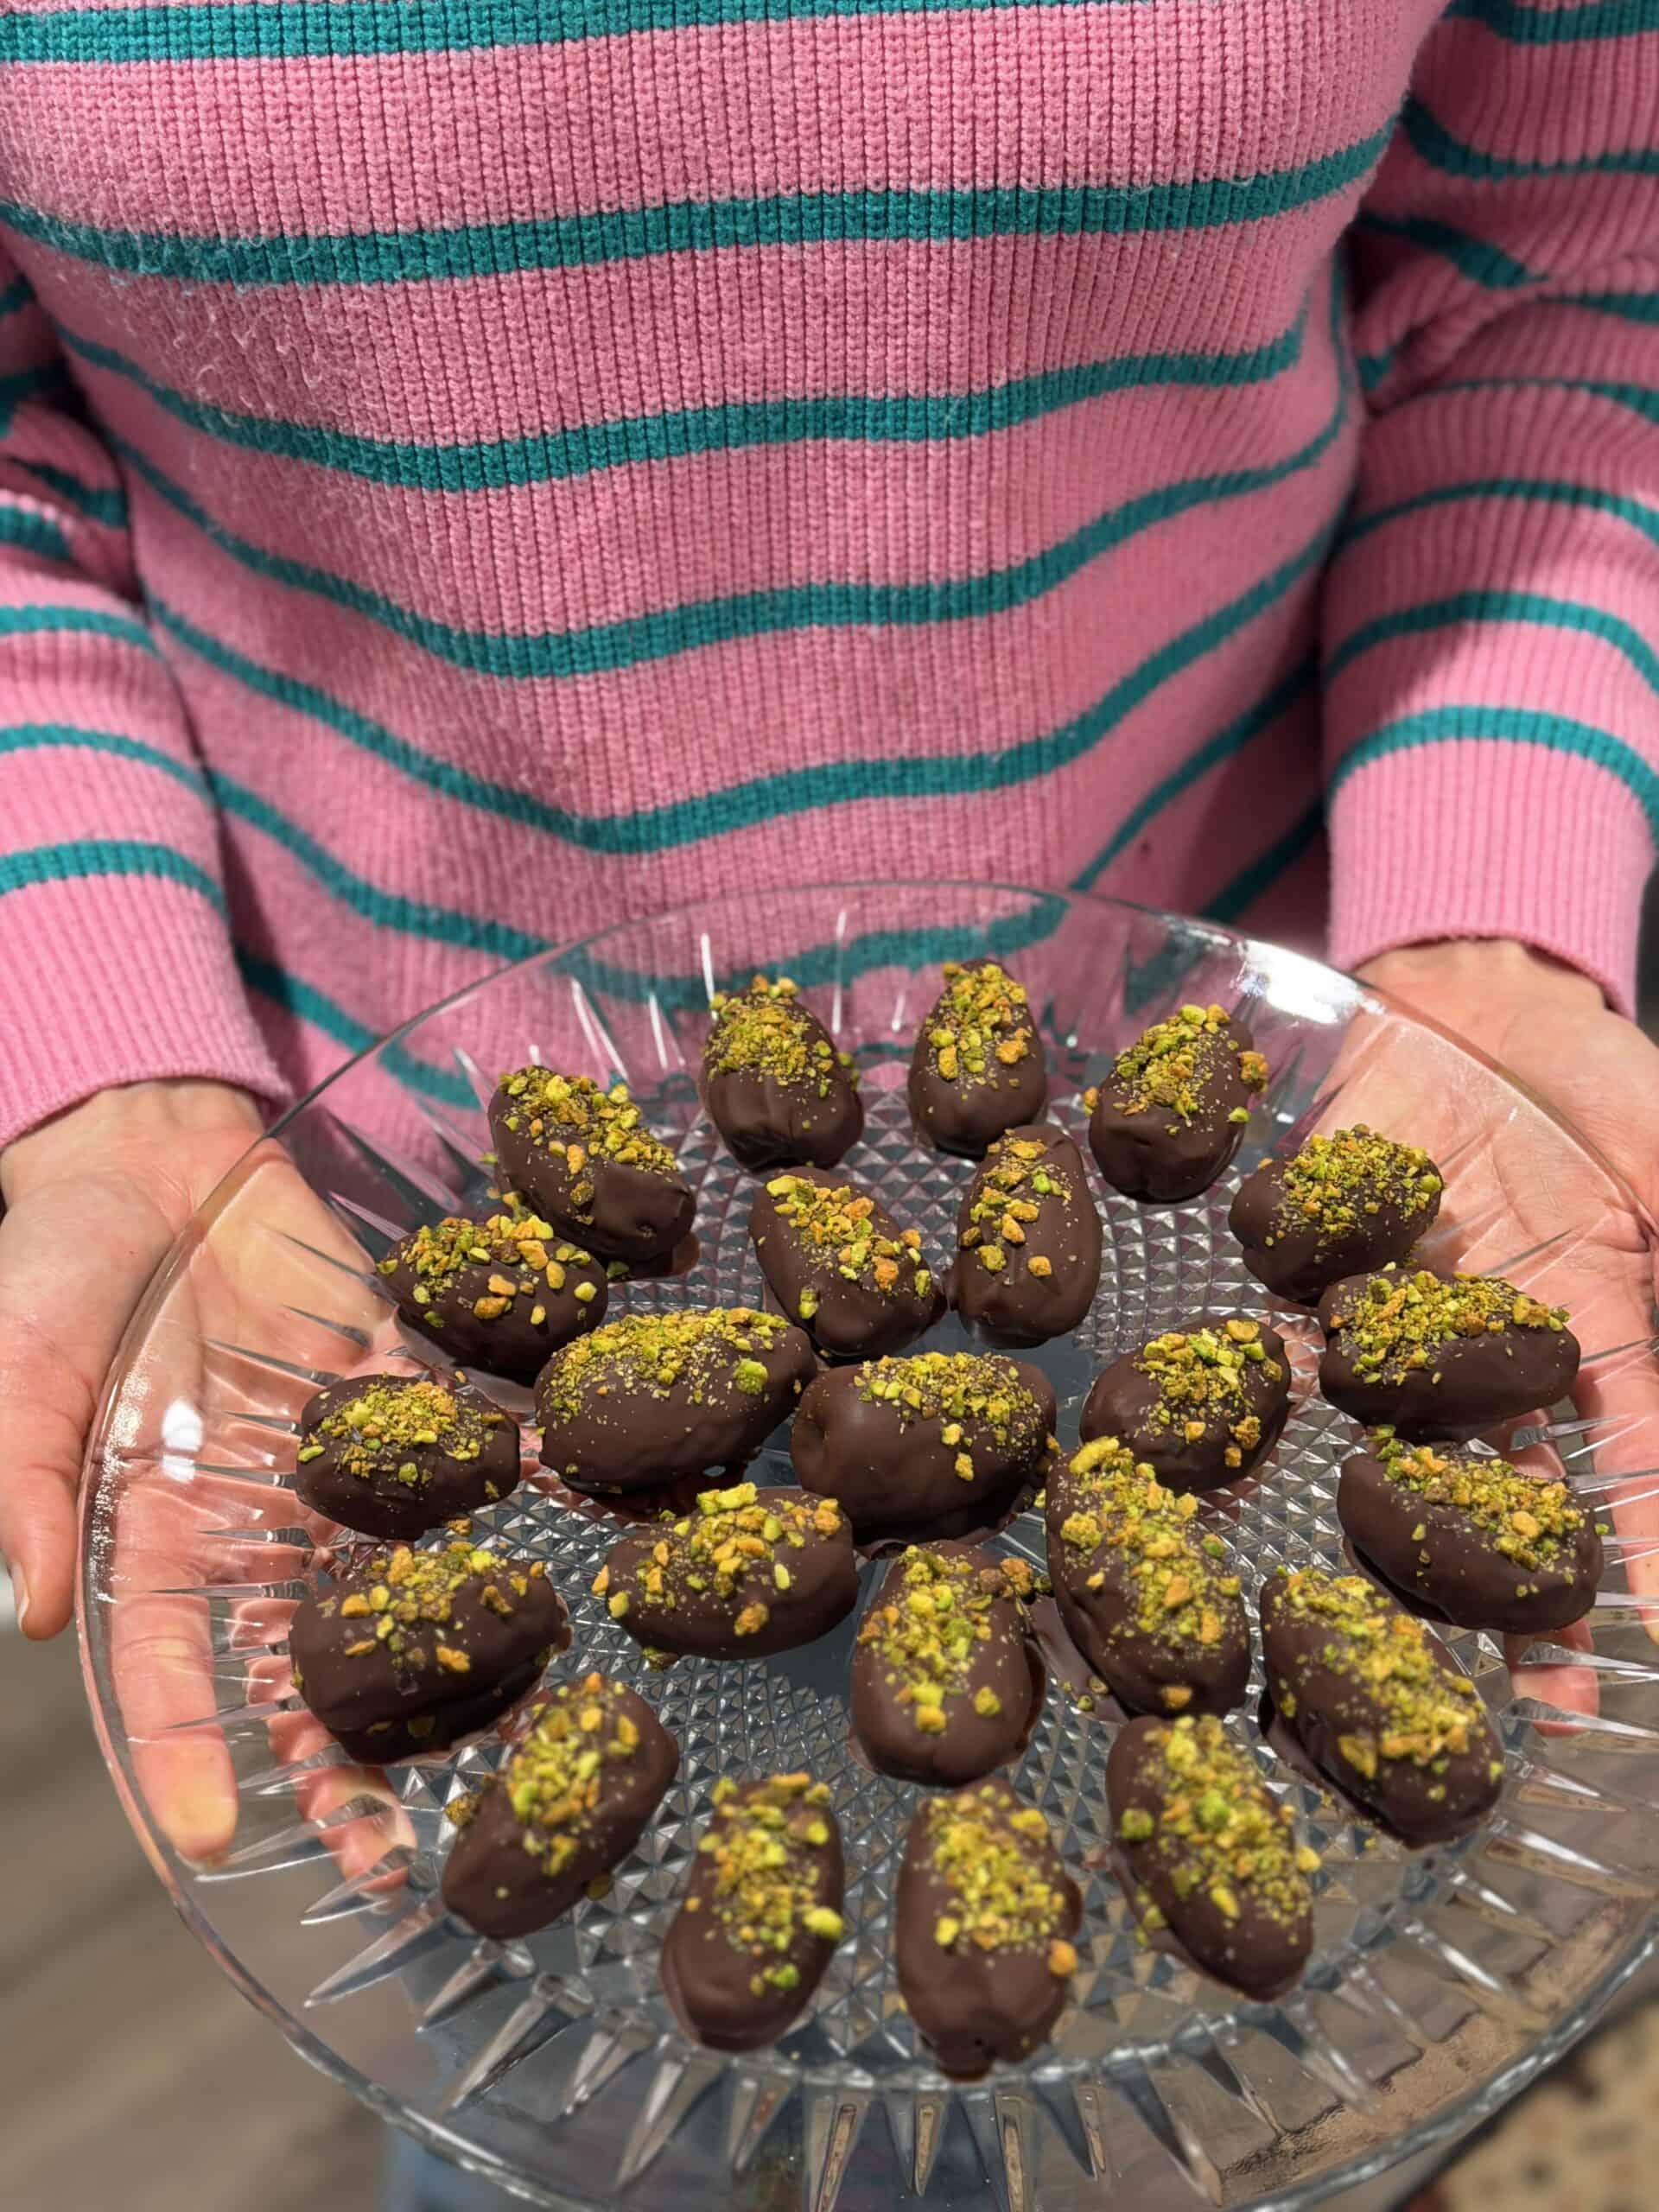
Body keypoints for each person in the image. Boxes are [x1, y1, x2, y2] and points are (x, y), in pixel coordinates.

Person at [0, 7, 1656, 2195]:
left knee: (1156, 2088)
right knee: (581, 2081)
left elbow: (1565, 277)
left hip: (1250, 1150)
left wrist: (1491, 920)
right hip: (380, 1217)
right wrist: (104, 1050)